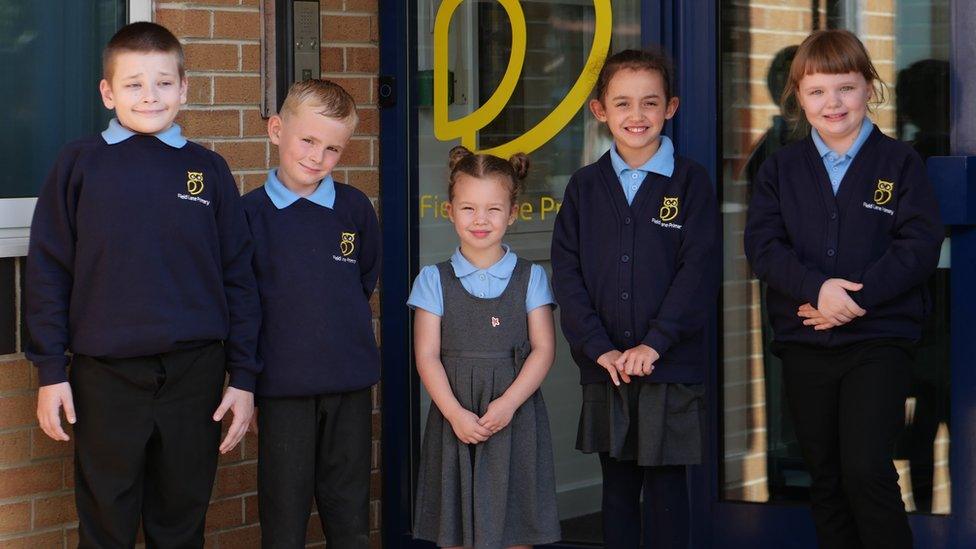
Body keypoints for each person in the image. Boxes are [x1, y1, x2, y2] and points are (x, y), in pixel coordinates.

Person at [27, 21, 260, 547]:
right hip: (105, 377)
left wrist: (243, 377)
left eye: (162, 82)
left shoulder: (209, 170)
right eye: (133, 83)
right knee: (106, 522)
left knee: (180, 522)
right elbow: (47, 271)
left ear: (184, 88)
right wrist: (49, 370)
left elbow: (239, 278)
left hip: (195, 375)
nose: (149, 96)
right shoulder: (80, 165)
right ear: (108, 93)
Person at [743, 29, 944, 548]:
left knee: (867, 471)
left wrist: (851, 300)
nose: (832, 103)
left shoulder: (899, 163)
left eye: (846, 88)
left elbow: (917, 247)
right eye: (817, 91)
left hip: (878, 344)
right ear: (798, 98)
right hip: (806, 343)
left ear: (869, 88)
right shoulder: (780, 168)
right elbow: (763, 247)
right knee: (826, 478)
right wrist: (816, 290)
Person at [550, 48, 720, 548]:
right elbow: (568, 273)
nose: (637, 115)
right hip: (607, 369)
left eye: (650, 103)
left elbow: (698, 271)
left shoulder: (690, 183)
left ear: (671, 107)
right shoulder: (583, 188)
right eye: (622, 104)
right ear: (600, 111)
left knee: (667, 492)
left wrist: (656, 343)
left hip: (670, 367)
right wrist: (598, 347)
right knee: (619, 490)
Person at [242, 78, 380, 548]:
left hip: (349, 387)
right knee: (284, 518)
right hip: (283, 390)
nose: (317, 157)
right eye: (308, 140)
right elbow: (243, 305)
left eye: (333, 149)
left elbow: (362, 280)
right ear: (277, 130)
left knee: (350, 515)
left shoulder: (355, 210)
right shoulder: (248, 217)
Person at [409, 146, 561, 549]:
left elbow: (544, 349)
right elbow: (426, 355)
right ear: (450, 211)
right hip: (455, 415)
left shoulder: (531, 277)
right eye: (468, 208)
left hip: (515, 416)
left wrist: (508, 404)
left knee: (515, 526)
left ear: (512, 213)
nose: (480, 220)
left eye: (493, 209)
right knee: (455, 527)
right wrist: (455, 413)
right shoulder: (432, 280)